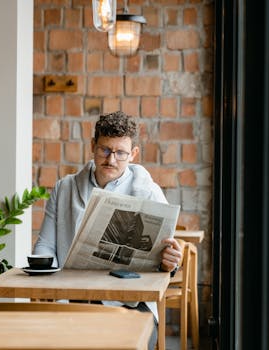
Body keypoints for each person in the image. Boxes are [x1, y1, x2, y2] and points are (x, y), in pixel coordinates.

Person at [33, 111, 182, 350]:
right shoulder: (64, 189)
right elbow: (45, 246)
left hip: (132, 306)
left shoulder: (150, 193)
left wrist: (171, 262)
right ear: (93, 146)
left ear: (133, 154)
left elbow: (166, 259)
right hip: (75, 300)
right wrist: (44, 271)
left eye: (120, 153)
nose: (111, 160)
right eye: (105, 150)